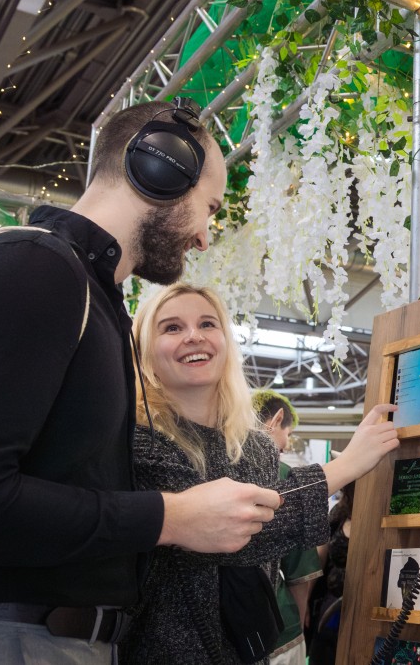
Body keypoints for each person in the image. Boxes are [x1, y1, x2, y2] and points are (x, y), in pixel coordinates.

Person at [0, 100, 283, 663]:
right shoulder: (34, 271)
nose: (203, 236)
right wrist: (170, 517)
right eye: (209, 207)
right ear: (159, 166)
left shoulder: (91, 298)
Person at [122, 284, 398, 662]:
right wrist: (345, 466)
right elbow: (229, 531)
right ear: (144, 349)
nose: (193, 336)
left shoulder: (255, 445)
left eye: (208, 323)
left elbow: (268, 550)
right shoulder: (134, 438)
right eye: (171, 328)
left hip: (247, 647)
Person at [253, 389, 322, 665]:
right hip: (278, 630)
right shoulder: (286, 478)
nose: (288, 445)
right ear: (275, 420)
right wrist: (299, 622)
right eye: (288, 433)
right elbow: (300, 573)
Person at [306, 481, 355, 665]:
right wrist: (306, 604)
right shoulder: (338, 515)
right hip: (331, 606)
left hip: (362, 607)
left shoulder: (375, 515)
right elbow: (318, 560)